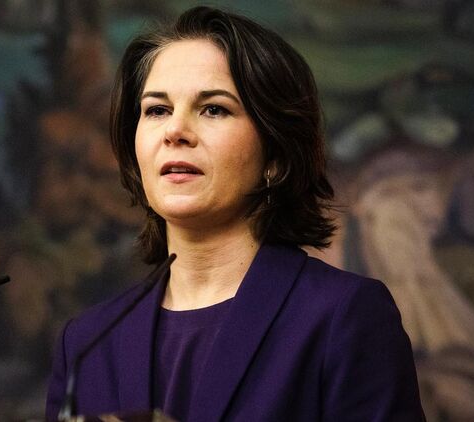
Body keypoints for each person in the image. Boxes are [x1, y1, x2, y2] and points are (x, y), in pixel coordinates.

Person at [46, 6, 424, 421]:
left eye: (214, 109)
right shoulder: (87, 343)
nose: (175, 131)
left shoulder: (344, 316)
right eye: (157, 110)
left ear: (275, 155)